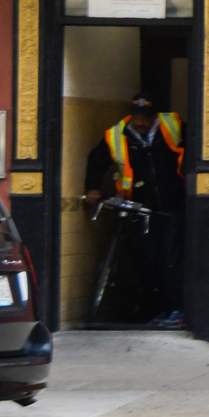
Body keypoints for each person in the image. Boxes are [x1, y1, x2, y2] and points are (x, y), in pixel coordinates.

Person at [84, 91, 185, 327]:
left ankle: (177, 309)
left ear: (155, 116)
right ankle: (158, 309)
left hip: (173, 204)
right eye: (136, 116)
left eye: (145, 117)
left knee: (171, 256)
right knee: (150, 260)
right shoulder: (117, 135)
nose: (140, 122)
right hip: (142, 207)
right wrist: (93, 188)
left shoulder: (173, 126)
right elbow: (97, 160)